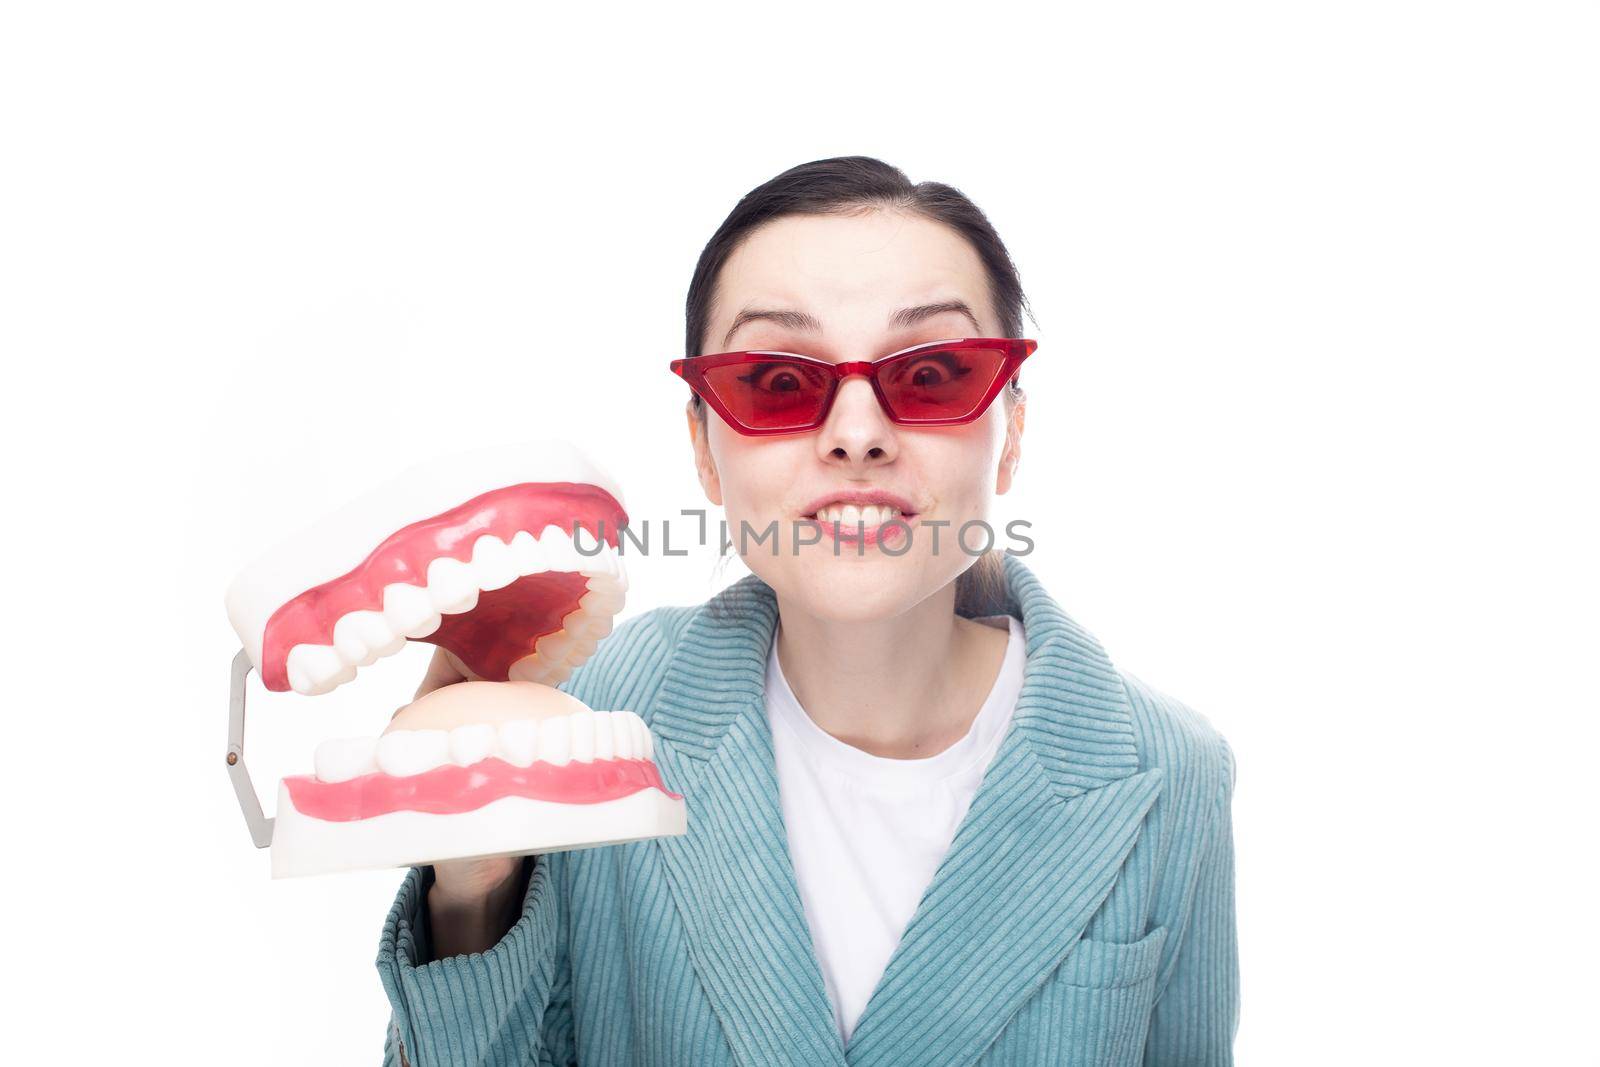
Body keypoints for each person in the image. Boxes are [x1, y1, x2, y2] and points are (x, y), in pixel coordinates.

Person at [375, 156, 1238, 1066]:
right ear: (705, 451)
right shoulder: (588, 721)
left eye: (935, 371)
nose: (857, 432)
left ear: (1011, 432)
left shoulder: (1172, 775)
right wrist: (472, 880)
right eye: (778, 382)